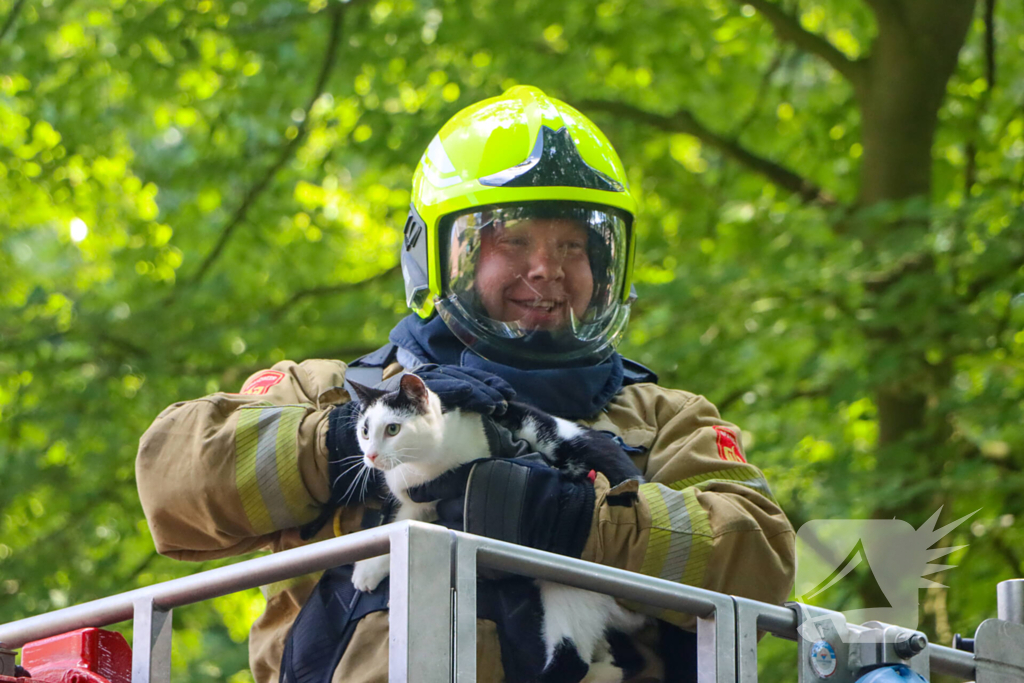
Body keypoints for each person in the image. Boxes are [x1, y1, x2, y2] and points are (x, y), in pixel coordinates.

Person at [136, 85, 795, 683]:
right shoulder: (337, 391)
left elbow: (761, 563)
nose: (548, 269)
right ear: (436, 253)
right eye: (512, 240)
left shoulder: (661, 419)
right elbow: (174, 476)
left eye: (574, 245)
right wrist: (355, 442)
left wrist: (571, 520)